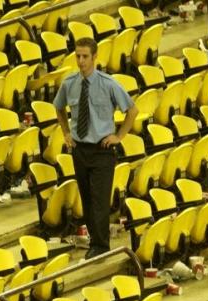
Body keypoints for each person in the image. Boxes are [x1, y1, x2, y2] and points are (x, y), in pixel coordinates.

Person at [53, 37, 139, 259]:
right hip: (80, 149)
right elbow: (59, 108)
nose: (81, 61)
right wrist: (65, 132)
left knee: (100, 199)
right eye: (78, 56)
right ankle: (95, 241)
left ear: (94, 57)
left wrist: (119, 136)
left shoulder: (107, 83)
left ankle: (101, 246)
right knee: (87, 198)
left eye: (85, 57)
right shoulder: (69, 83)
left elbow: (132, 110)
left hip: (102, 149)